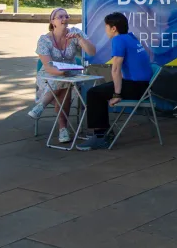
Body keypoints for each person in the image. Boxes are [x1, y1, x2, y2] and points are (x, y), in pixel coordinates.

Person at [77, 12, 154, 151]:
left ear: (113, 28)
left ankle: (100, 136)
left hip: (135, 88)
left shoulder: (118, 40)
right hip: (144, 88)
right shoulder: (131, 37)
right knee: (99, 91)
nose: (105, 30)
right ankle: (104, 132)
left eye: (106, 27)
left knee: (93, 93)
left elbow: (116, 69)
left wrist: (117, 94)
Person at [30, 8, 96, 144]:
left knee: (66, 84)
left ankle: (42, 106)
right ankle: (62, 129)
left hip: (70, 74)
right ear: (52, 21)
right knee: (65, 85)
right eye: (60, 17)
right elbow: (48, 66)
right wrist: (62, 73)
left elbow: (92, 51)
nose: (64, 19)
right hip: (49, 76)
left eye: (66, 16)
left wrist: (79, 38)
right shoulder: (44, 40)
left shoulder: (75, 32)